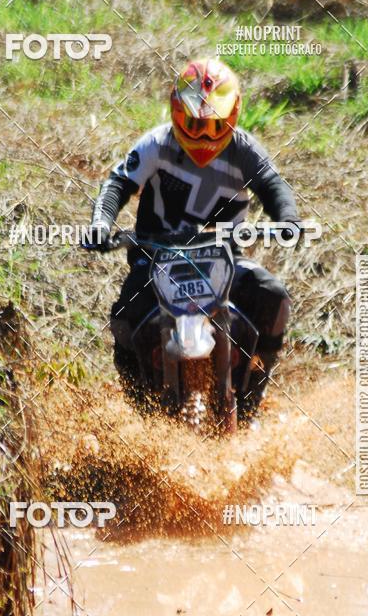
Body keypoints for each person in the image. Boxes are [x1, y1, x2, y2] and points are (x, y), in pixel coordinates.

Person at [86, 57, 301, 418]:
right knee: (126, 312)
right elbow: (119, 183)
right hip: (156, 260)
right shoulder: (156, 143)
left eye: (214, 124)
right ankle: (141, 407)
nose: (203, 135)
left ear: (232, 114)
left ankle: (251, 401)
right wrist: (101, 223)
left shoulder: (245, 149)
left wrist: (288, 219)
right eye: (193, 124)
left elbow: (273, 185)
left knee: (272, 296)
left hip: (223, 264)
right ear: (176, 112)